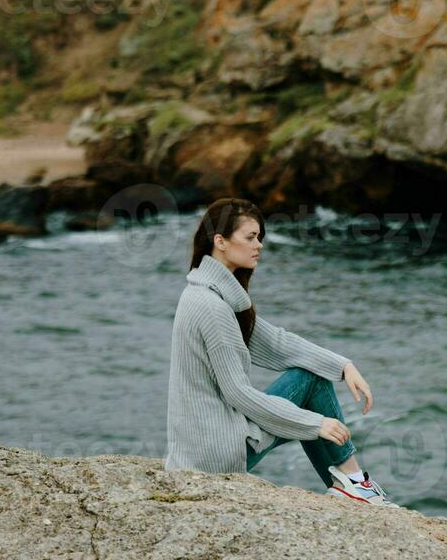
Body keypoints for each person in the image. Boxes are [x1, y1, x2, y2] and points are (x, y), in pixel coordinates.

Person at [165, 197, 395, 506]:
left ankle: (351, 484)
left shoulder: (208, 293)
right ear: (220, 241)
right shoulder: (211, 306)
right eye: (250, 237)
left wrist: (344, 366)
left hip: (201, 448)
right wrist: (316, 423)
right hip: (215, 455)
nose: (258, 245)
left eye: (259, 237)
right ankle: (353, 483)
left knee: (312, 374)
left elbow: (275, 342)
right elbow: (238, 394)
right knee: (311, 382)